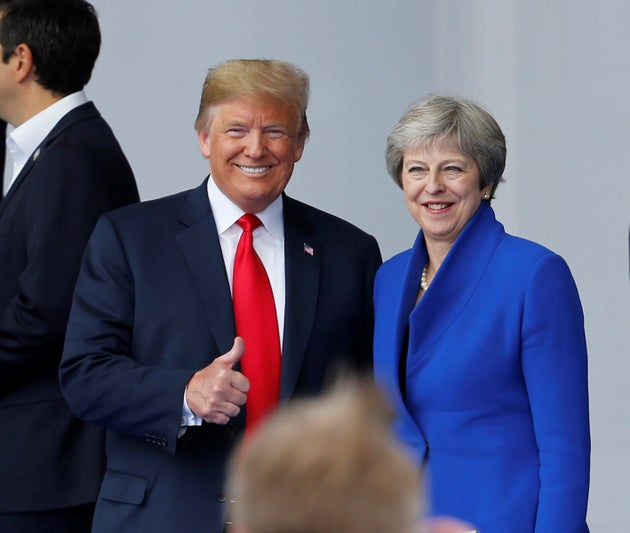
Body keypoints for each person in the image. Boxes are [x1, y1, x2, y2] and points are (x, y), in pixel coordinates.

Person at [59, 58, 382, 532]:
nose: (255, 148)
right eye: (236, 130)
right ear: (204, 138)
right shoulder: (129, 238)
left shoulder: (349, 251)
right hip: (164, 515)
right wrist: (184, 394)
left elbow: (366, 397)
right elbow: (84, 376)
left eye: (275, 130)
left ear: (299, 145)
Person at [373, 94, 590, 532]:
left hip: (503, 519)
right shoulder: (389, 277)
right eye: (417, 169)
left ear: (486, 181)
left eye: (452, 168)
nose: (432, 186)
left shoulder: (534, 275)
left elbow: (564, 445)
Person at [0, 0, 139, 531]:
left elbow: (47, 314)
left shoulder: (72, 159)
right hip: (32, 460)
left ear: (21, 61)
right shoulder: (50, 148)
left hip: (45, 464)